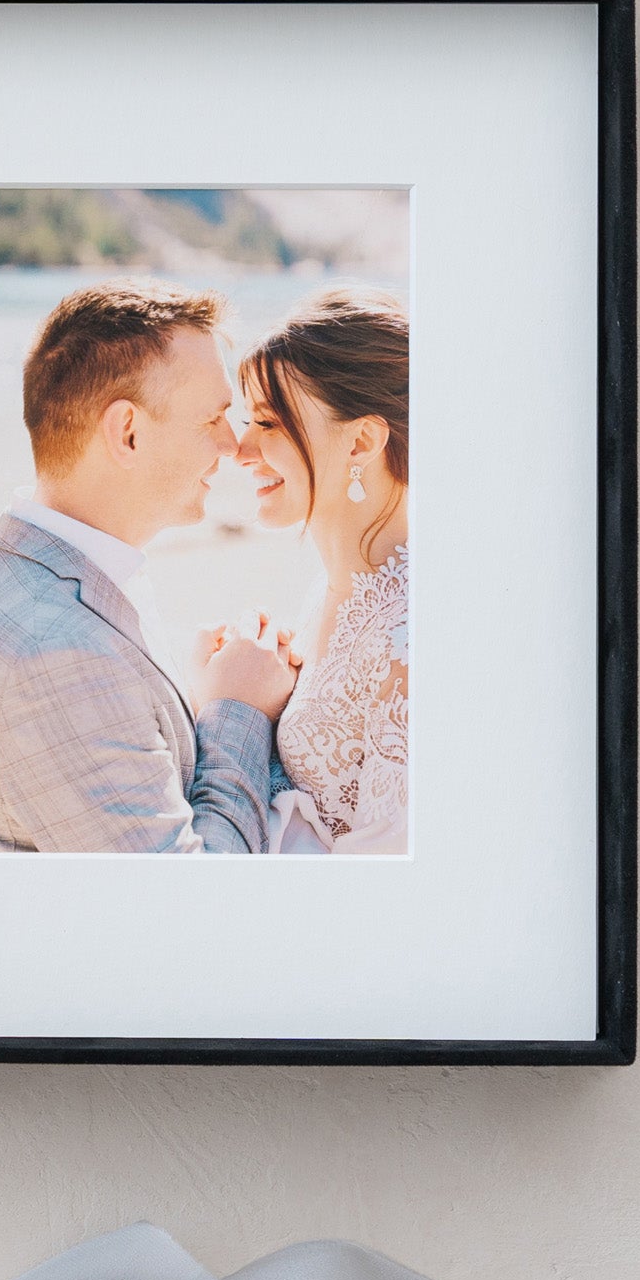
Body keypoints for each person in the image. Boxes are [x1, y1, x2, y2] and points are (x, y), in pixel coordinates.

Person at [0, 282, 295, 853]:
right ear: (127, 433)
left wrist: (193, 696)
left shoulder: (50, 564)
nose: (233, 445)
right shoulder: (59, 652)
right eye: (213, 418)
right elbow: (191, 900)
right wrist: (238, 710)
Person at [233, 287, 410, 855]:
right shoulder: (338, 585)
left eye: (268, 423)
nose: (240, 450)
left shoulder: (410, 634)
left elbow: (387, 877)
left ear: (361, 441)